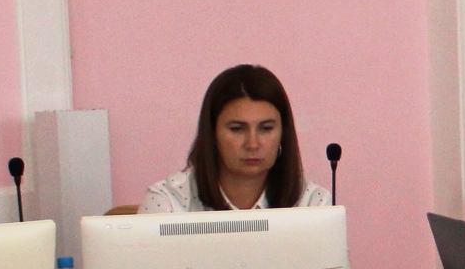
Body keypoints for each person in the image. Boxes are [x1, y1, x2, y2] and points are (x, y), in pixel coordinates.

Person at [141, 63, 335, 213]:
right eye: (237, 129)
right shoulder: (169, 201)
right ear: (212, 134)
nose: (253, 144)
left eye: (266, 128)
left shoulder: (313, 203)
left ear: (283, 134)